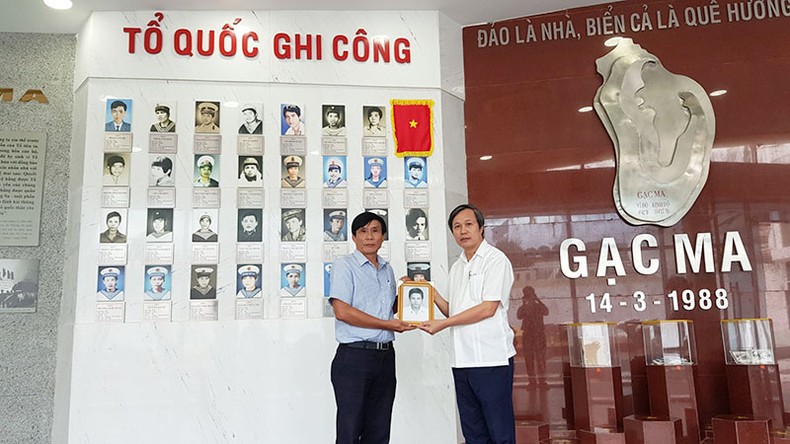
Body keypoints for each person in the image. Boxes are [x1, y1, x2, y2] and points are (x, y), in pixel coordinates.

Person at [418, 204, 517, 444]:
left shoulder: (496, 260)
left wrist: (443, 324)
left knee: (500, 432)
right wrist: (430, 293)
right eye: (457, 226)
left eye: (468, 224)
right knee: (473, 433)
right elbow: (454, 311)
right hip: (462, 361)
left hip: (491, 359)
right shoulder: (457, 267)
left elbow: (488, 308)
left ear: (481, 228)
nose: (463, 231)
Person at [329, 211, 415, 444]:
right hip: (354, 357)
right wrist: (387, 324)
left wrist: (405, 294)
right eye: (363, 231)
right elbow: (342, 311)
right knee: (350, 430)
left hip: (385, 357)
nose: (369, 237)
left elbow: (387, 310)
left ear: (383, 236)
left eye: (375, 231)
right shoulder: (344, 266)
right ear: (354, 237)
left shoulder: (387, 269)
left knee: (379, 430)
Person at [516, 286, 549, 386]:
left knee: (540, 358)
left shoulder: (538, 305)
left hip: (539, 334)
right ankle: (532, 381)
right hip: (528, 335)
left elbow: (546, 312)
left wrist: (537, 300)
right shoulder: (524, 307)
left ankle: (542, 380)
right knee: (529, 358)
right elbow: (519, 316)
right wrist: (524, 304)